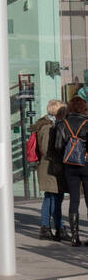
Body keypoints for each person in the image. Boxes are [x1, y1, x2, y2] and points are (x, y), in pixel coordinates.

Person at [54, 97, 88, 247]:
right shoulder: (87, 123)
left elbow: (58, 146)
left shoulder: (62, 124)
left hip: (70, 165)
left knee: (73, 200)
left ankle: (75, 237)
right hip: (87, 164)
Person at [35, 99, 64, 240]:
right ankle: (58, 227)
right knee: (55, 197)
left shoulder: (49, 124)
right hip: (50, 166)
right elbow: (46, 149)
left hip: (50, 165)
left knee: (50, 197)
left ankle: (47, 227)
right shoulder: (48, 126)